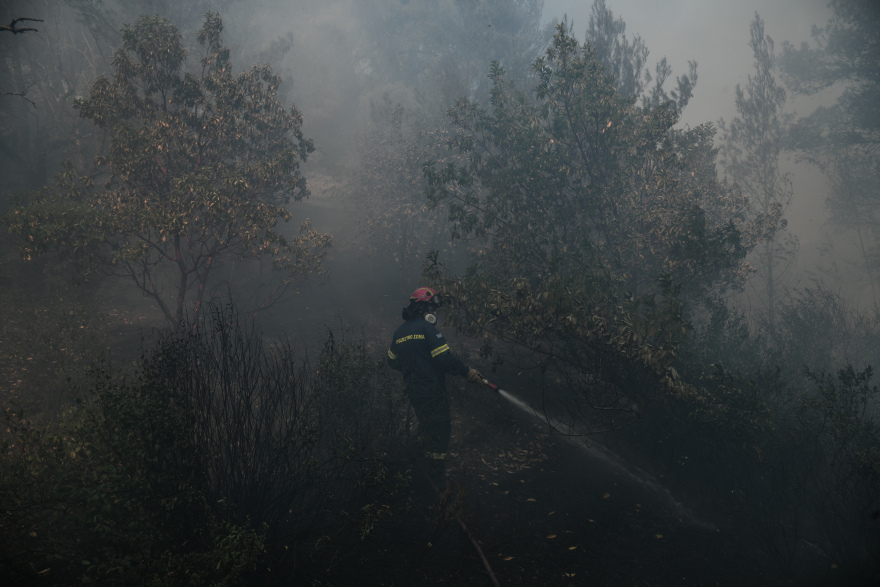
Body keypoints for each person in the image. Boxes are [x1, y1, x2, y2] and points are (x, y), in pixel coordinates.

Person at [387, 287, 484, 480]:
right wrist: (467, 372)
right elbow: (444, 359)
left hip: (414, 391)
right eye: (431, 307)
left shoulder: (399, 333)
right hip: (432, 390)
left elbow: (391, 361)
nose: (433, 312)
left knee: (426, 427)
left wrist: (410, 369)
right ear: (422, 308)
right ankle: (436, 472)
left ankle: (423, 468)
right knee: (441, 428)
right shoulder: (427, 328)